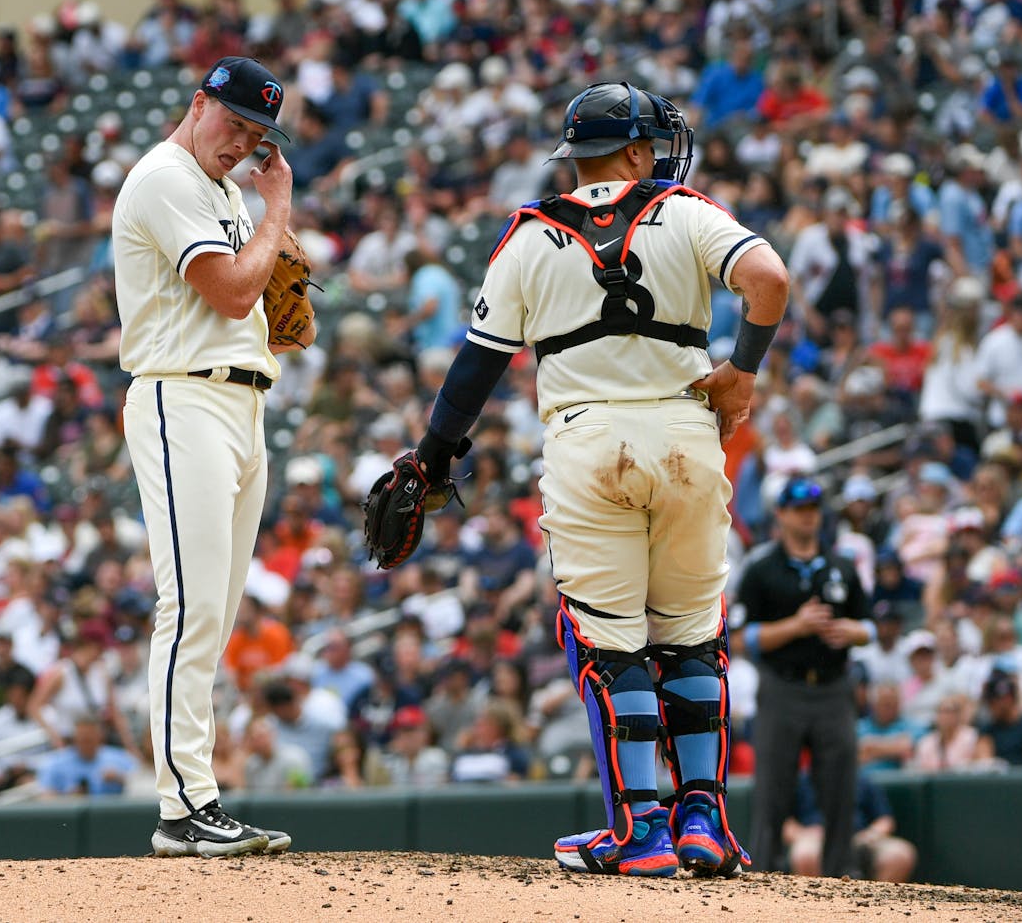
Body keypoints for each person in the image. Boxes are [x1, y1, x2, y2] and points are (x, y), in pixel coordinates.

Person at [386, 81, 790, 877]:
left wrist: (432, 457)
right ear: (638, 151)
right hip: (686, 431)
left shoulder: (530, 233)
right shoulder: (687, 209)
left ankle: (641, 831)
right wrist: (741, 372)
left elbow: (476, 367)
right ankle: (703, 820)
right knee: (692, 633)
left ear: (577, 158)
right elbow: (769, 279)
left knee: (610, 643)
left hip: (587, 438)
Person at [113, 55, 311, 860]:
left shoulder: (227, 194)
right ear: (198, 105)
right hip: (180, 397)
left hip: (241, 401)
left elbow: (278, 317)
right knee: (189, 606)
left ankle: (198, 801)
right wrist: (280, 210)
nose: (243, 143)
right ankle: (182, 806)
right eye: (234, 124)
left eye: (259, 135)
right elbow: (231, 292)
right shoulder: (165, 177)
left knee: (215, 615)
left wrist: (277, 248)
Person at [737, 476, 873, 878]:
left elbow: (869, 627)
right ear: (780, 515)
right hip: (783, 686)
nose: (807, 518)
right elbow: (743, 637)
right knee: (771, 791)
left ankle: (841, 878)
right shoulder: (762, 569)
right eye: (799, 510)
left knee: (840, 788)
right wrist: (795, 626)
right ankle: (760, 878)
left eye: (813, 510)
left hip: (833, 686)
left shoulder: (841, 567)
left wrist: (851, 631)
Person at [784, 770, 917, 883]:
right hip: (817, 841)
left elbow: (885, 820)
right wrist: (804, 834)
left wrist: (871, 834)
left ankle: (874, 907)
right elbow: (784, 824)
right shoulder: (802, 781)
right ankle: (814, 907)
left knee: (900, 854)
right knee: (805, 854)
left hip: (859, 839)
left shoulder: (861, 780)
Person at [36, 714, 138, 797]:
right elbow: (44, 795)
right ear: (74, 740)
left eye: (90, 740)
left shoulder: (120, 759)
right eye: (82, 740)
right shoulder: (56, 763)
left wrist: (120, 778)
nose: (86, 745)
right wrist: (65, 797)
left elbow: (142, 785)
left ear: (99, 738)